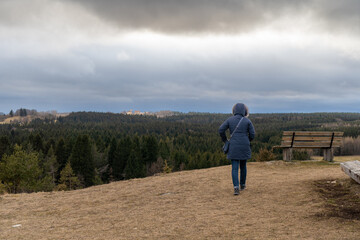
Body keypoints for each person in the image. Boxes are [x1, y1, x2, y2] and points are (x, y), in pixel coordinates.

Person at [219, 103, 255, 195]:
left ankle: (236, 187)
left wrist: (225, 140)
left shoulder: (230, 120)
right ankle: (242, 184)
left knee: (234, 168)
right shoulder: (247, 121)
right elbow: (253, 134)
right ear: (244, 111)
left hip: (233, 145)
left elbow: (221, 130)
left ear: (234, 110)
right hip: (244, 145)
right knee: (243, 166)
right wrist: (247, 140)